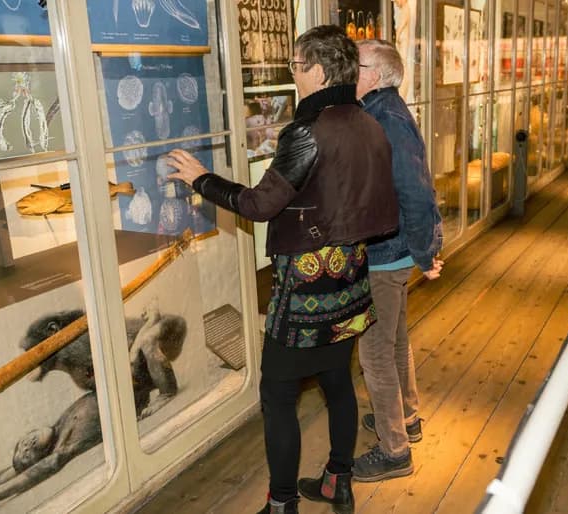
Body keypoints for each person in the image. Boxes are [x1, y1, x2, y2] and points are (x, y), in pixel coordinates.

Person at [167, 25, 399, 514]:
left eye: (295, 66)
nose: (293, 75)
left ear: (318, 71)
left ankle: (282, 504)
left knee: (277, 394)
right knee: (337, 380)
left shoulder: (307, 132)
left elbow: (258, 204)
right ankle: (338, 481)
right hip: (351, 277)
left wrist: (202, 179)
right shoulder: (369, 123)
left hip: (306, 289)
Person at [346, 39, 443, 483]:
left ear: (377, 75)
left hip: (386, 254)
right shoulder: (381, 111)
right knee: (396, 339)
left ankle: (394, 450)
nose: (349, 69)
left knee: (375, 353)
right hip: (394, 250)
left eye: (356, 63)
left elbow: (417, 193)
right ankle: (406, 417)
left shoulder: (385, 118)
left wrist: (426, 252)